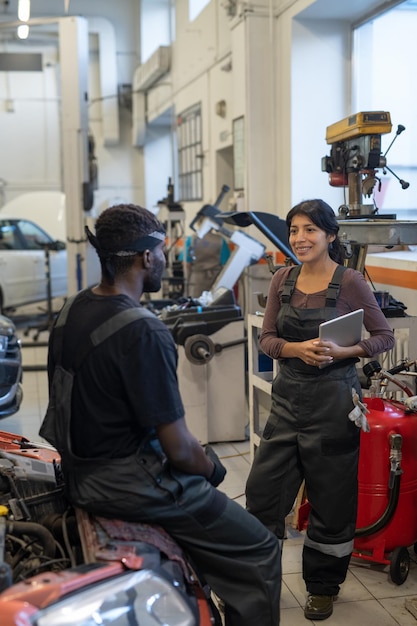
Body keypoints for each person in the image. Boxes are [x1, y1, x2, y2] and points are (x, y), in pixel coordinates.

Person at [42, 203, 281, 626]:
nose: (167, 259)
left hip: (78, 471)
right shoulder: (142, 330)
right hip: (129, 484)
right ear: (146, 257)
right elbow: (180, 449)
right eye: (163, 252)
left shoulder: (70, 310)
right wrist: (212, 470)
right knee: (259, 548)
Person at [245, 198, 395, 621]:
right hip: (288, 405)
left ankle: (323, 588)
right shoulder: (282, 279)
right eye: (294, 230)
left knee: (331, 503)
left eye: (310, 229)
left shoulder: (350, 283)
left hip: (333, 407)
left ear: (331, 235)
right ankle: (258, 582)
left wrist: (345, 349)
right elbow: (267, 339)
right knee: (262, 495)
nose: (300, 238)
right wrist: (295, 349)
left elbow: (382, 335)